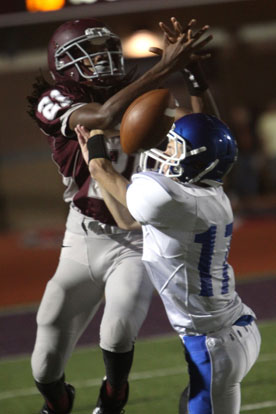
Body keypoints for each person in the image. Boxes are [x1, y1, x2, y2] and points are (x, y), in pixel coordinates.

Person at [27, 15, 216, 414]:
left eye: (106, 53)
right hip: (83, 235)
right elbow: (101, 118)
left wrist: (194, 75)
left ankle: (113, 397)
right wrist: (165, 67)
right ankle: (59, 402)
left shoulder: (138, 97)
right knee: (44, 361)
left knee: (118, 330)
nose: (102, 63)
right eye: (87, 56)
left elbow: (205, 128)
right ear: (63, 63)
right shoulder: (56, 99)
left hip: (135, 236)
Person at [75, 112, 261, 414]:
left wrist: (96, 135)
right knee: (188, 405)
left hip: (213, 344)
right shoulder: (211, 195)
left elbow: (102, 167)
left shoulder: (167, 199)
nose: (166, 152)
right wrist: (98, 172)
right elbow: (126, 219)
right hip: (232, 329)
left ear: (197, 159)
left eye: (175, 147)